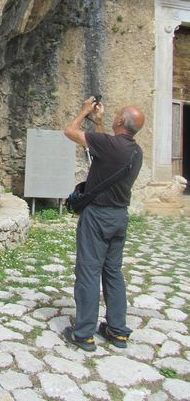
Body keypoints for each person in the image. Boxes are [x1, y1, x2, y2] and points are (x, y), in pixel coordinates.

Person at [63, 96, 145, 352]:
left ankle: (84, 334)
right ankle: (117, 331)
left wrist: (84, 111)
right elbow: (104, 151)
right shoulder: (136, 152)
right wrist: (98, 123)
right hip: (119, 217)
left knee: (89, 271)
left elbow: (70, 131)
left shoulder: (109, 145)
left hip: (98, 216)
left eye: (116, 114)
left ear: (120, 121)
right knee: (113, 272)